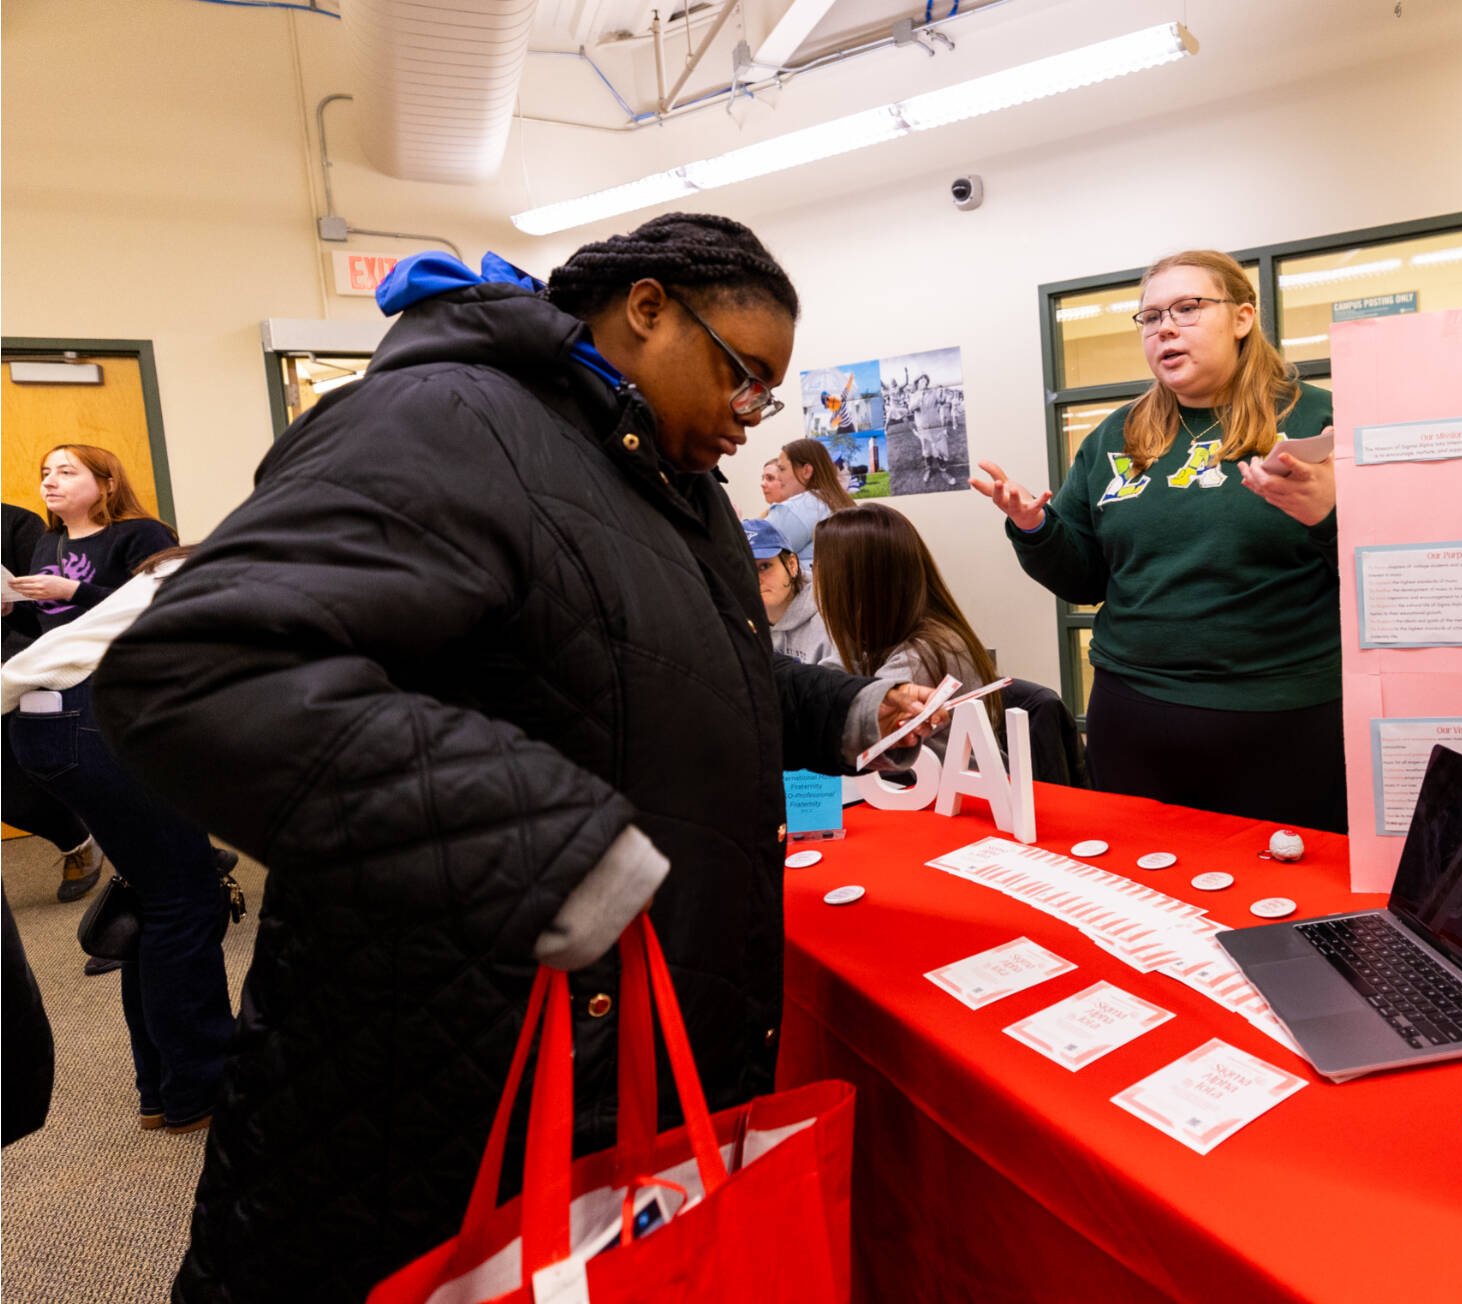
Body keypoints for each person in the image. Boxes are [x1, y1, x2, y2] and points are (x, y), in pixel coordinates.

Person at [92, 215, 935, 1303]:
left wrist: (852, 708)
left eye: (765, 396)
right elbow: (202, 668)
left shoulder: (667, 481)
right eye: (740, 375)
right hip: (455, 1056)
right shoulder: (445, 419)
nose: (747, 414)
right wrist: (544, 848)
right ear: (644, 308)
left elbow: (676, 669)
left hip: (606, 1049)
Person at [972, 248, 1346, 831]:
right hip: (1134, 717)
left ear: (1243, 317)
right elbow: (1087, 579)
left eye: (1189, 308)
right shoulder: (1113, 436)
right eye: (1150, 317)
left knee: (1283, 907)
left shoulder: (1321, 420)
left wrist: (1328, 514)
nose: (1165, 327)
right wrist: (1035, 528)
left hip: (1285, 719)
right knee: (1143, 899)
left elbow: (1389, 578)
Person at [4, 546, 235, 1134]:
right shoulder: (239, 570)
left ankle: (163, 1089)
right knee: (185, 901)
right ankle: (201, 1090)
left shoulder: (189, 566)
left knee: (159, 897)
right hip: (96, 716)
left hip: (58, 722)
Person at [9, 449, 177, 903]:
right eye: (45, 473)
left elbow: (162, 605)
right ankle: (145, 906)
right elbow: (54, 623)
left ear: (106, 484)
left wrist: (75, 589)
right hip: (68, 687)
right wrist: (14, 605)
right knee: (112, 804)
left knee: (140, 798)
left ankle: (166, 900)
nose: (50, 482)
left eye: (66, 472)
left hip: (128, 681)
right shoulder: (48, 541)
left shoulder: (141, 533)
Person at [815, 502, 1001, 754]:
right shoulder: (875, 635)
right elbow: (827, 690)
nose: (813, 579)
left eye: (818, 570)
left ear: (855, 582)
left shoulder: (924, 654)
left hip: (941, 790)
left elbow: (843, 731)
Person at [2, 501, 99, 901]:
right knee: (8, 797)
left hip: (23, 659)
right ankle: (79, 839)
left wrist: (13, 603)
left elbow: (56, 602)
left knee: (65, 770)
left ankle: (94, 840)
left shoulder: (16, 523)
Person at [744, 517, 837, 665]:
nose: (755, 579)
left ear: (792, 564)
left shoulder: (831, 619)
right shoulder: (738, 621)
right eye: (745, 569)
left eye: (764, 566)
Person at [762, 437, 856, 567]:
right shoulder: (838, 500)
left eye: (782, 469)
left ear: (806, 471)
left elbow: (753, 548)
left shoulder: (799, 507)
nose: (778, 477)